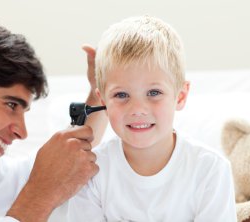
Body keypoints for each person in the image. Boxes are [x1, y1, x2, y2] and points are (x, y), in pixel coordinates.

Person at [0, 19, 107, 222]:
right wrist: (40, 196)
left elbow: (28, 180)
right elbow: (37, 188)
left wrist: (98, 95)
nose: (22, 133)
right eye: (11, 105)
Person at [67, 15, 237, 221]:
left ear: (180, 96)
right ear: (103, 101)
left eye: (154, 93)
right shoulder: (91, 172)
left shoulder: (210, 170)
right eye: (121, 95)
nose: (138, 109)